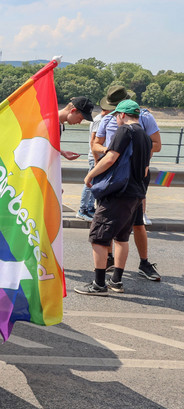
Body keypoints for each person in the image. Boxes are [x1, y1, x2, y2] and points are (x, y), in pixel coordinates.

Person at [76, 100, 152, 296]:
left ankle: (99, 284)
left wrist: (90, 174)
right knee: (122, 237)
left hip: (119, 193)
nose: (116, 120)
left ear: (122, 115)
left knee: (98, 237)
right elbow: (145, 169)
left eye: (116, 116)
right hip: (136, 193)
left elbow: (110, 158)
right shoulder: (144, 135)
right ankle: (116, 281)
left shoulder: (124, 131)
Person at [92, 87, 162, 282]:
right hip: (115, 178)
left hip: (130, 178)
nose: (113, 115)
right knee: (116, 231)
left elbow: (156, 144)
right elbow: (96, 144)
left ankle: (143, 263)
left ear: (122, 112)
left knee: (133, 224)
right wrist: (109, 149)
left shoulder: (143, 119)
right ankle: (110, 264)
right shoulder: (108, 119)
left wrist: (128, 155)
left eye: (116, 111)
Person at [76, 88, 128, 222]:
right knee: (92, 183)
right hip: (98, 157)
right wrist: (97, 160)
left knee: (95, 183)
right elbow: (94, 142)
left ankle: (90, 208)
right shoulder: (101, 120)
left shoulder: (103, 118)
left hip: (100, 157)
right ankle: (83, 209)